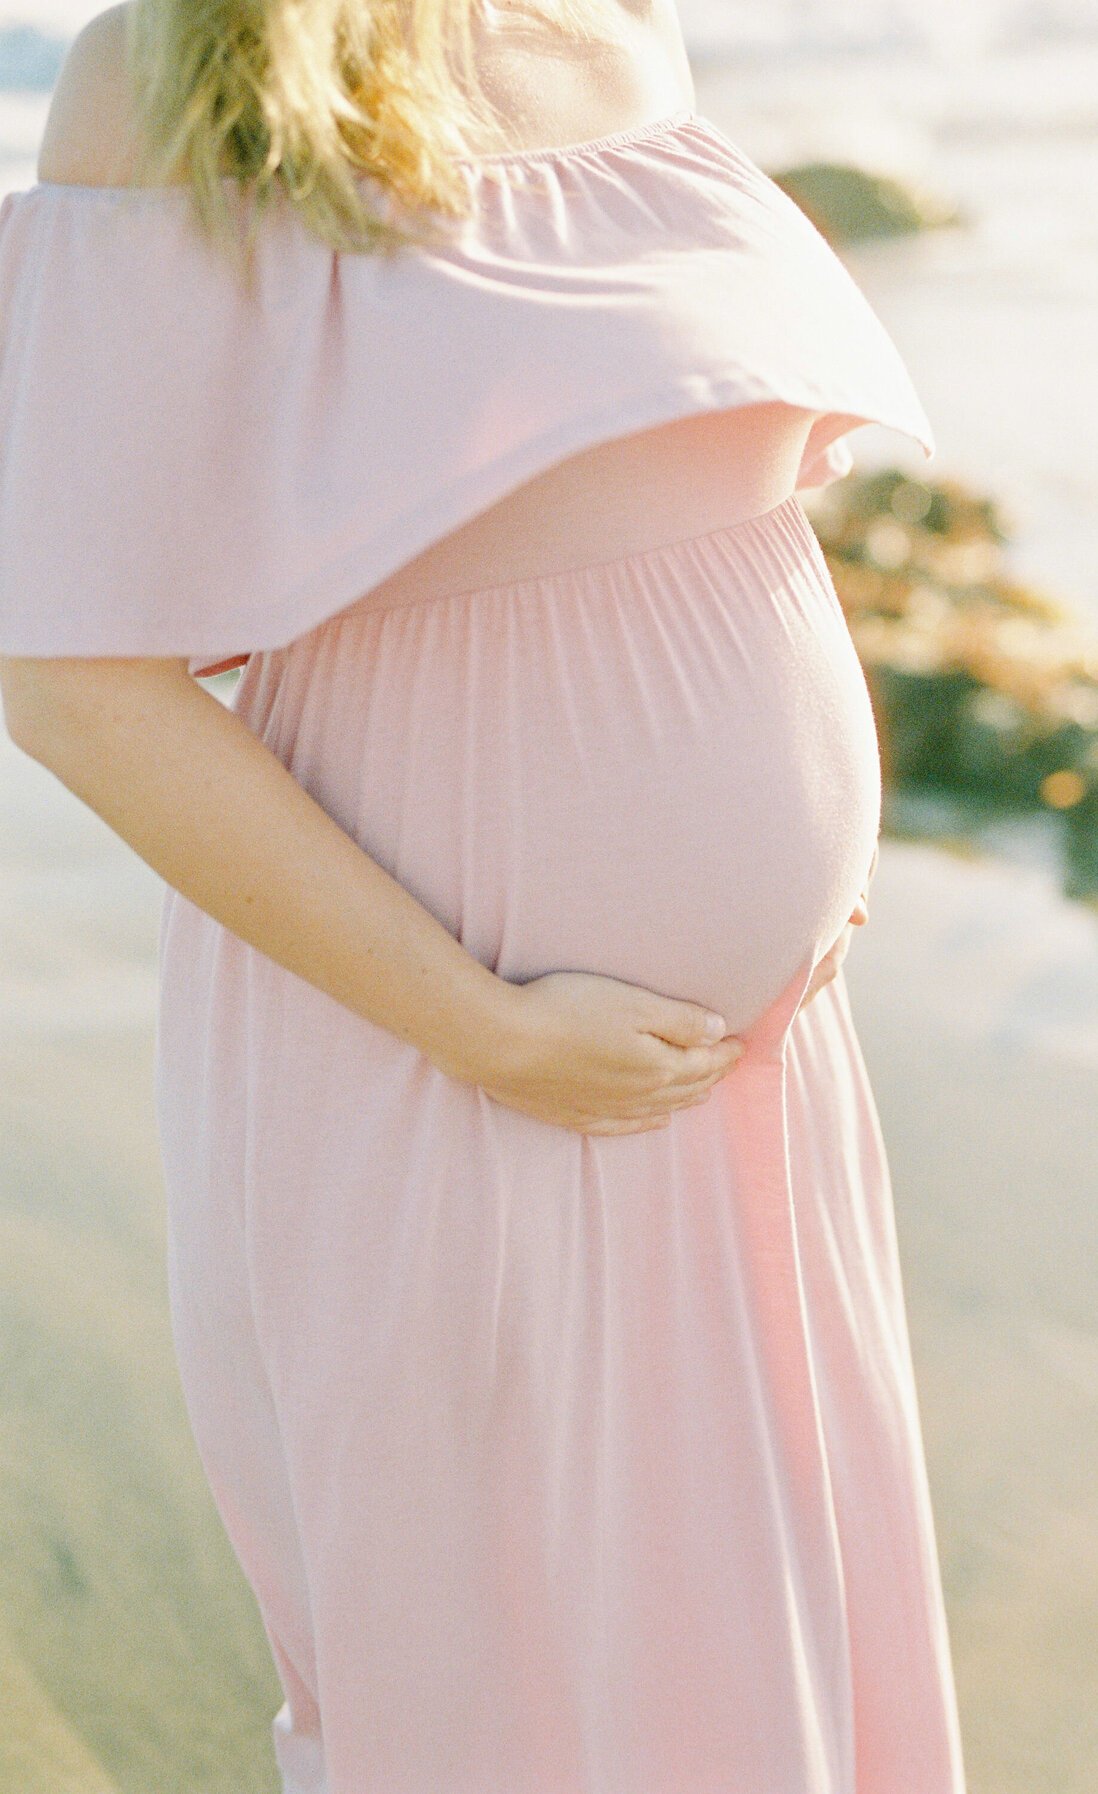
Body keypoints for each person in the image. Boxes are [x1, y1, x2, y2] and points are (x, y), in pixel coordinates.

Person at [0, 0, 967, 1788]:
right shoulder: (168, 81)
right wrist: (491, 1027)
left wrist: (819, 836)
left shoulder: (613, 30)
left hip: (752, 1074)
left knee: (766, 1642)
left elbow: (702, 488)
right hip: (442, 1052)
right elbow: (74, 679)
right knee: (497, 1670)